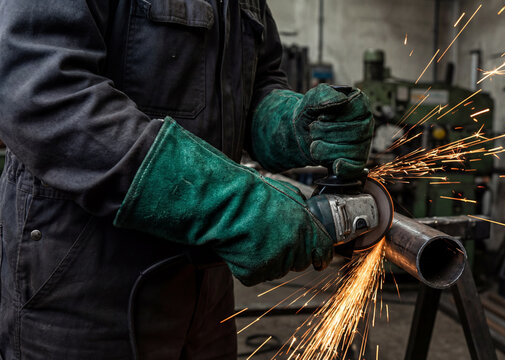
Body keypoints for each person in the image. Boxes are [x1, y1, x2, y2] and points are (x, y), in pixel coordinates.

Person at [0, 0, 374, 359]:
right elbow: (47, 95)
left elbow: (257, 86)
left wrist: (293, 125)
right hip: (86, 287)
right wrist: (231, 205)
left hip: (203, 287)